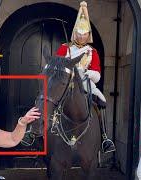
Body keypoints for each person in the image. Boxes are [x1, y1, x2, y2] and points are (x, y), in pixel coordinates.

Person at [56, 1, 115, 153]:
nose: (82, 37)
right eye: (79, 33)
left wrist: (86, 72)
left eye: (85, 34)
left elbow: (97, 75)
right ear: (74, 33)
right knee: (47, 97)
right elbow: (56, 65)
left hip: (85, 82)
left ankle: (104, 137)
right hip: (65, 81)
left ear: (88, 35)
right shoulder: (64, 48)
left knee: (102, 101)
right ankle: (36, 132)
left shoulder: (92, 52)